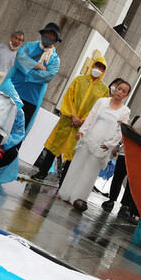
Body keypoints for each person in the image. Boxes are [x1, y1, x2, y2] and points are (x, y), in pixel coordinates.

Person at [31, 58, 109, 183]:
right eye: (97, 66)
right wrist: (73, 115)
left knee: (73, 153)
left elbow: (99, 107)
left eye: (101, 68)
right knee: (54, 146)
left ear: (104, 71)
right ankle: (42, 172)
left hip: (83, 126)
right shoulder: (79, 80)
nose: (98, 70)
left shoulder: (104, 89)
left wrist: (83, 120)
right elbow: (69, 97)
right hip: (67, 120)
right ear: (93, 65)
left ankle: (64, 182)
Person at [58, 80, 131, 211]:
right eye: (119, 88)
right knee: (76, 165)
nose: (120, 92)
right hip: (89, 138)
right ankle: (64, 193)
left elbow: (120, 131)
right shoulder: (102, 101)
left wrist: (110, 144)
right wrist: (82, 131)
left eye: (124, 91)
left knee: (89, 173)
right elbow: (91, 117)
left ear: (126, 95)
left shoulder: (125, 111)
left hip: (102, 145)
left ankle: (77, 199)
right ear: (115, 89)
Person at [102, 101, 141, 216]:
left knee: (132, 183)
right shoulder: (135, 119)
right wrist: (117, 145)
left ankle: (125, 206)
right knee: (117, 178)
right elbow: (124, 133)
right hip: (125, 153)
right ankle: (111, 200)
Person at [5, 22, 62, 129]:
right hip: (12, 90)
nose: (48, 37)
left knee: (17, 129)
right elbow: (19, 59)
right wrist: (38, 66)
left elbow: (48, 76)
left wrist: (27, 67)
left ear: (56, 39)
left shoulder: (54, 59)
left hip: (31, 99)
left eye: (52, 36)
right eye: (47, 34)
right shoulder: (29, 45)